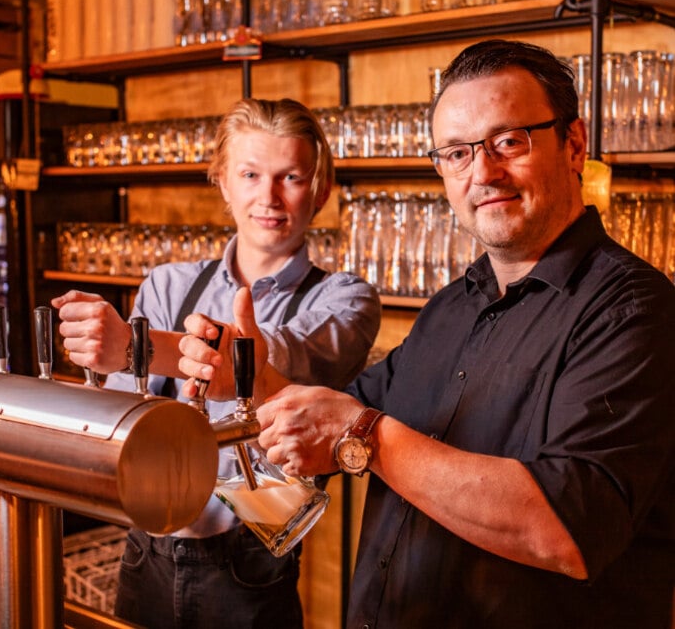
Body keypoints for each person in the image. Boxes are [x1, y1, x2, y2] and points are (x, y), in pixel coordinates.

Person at [179, 40, 675, 627]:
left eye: (508, 142)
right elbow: (346, 414)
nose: (483, 173)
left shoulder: (633, 310)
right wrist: (258, 379)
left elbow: (567, 529)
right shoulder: (451, 307)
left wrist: (363, 434)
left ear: (573, 144)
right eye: (457, 153)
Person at [52, 97, 381, 628]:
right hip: (145, 552)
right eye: (250, 174)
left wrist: (135, 347)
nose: (268, 197)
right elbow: (115, 418)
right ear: (223, 182)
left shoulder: (345, 300)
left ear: (319, 190)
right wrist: (99, 361)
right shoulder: (168, 284)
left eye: (290, 177)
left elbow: (274, 354)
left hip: (251, 569)